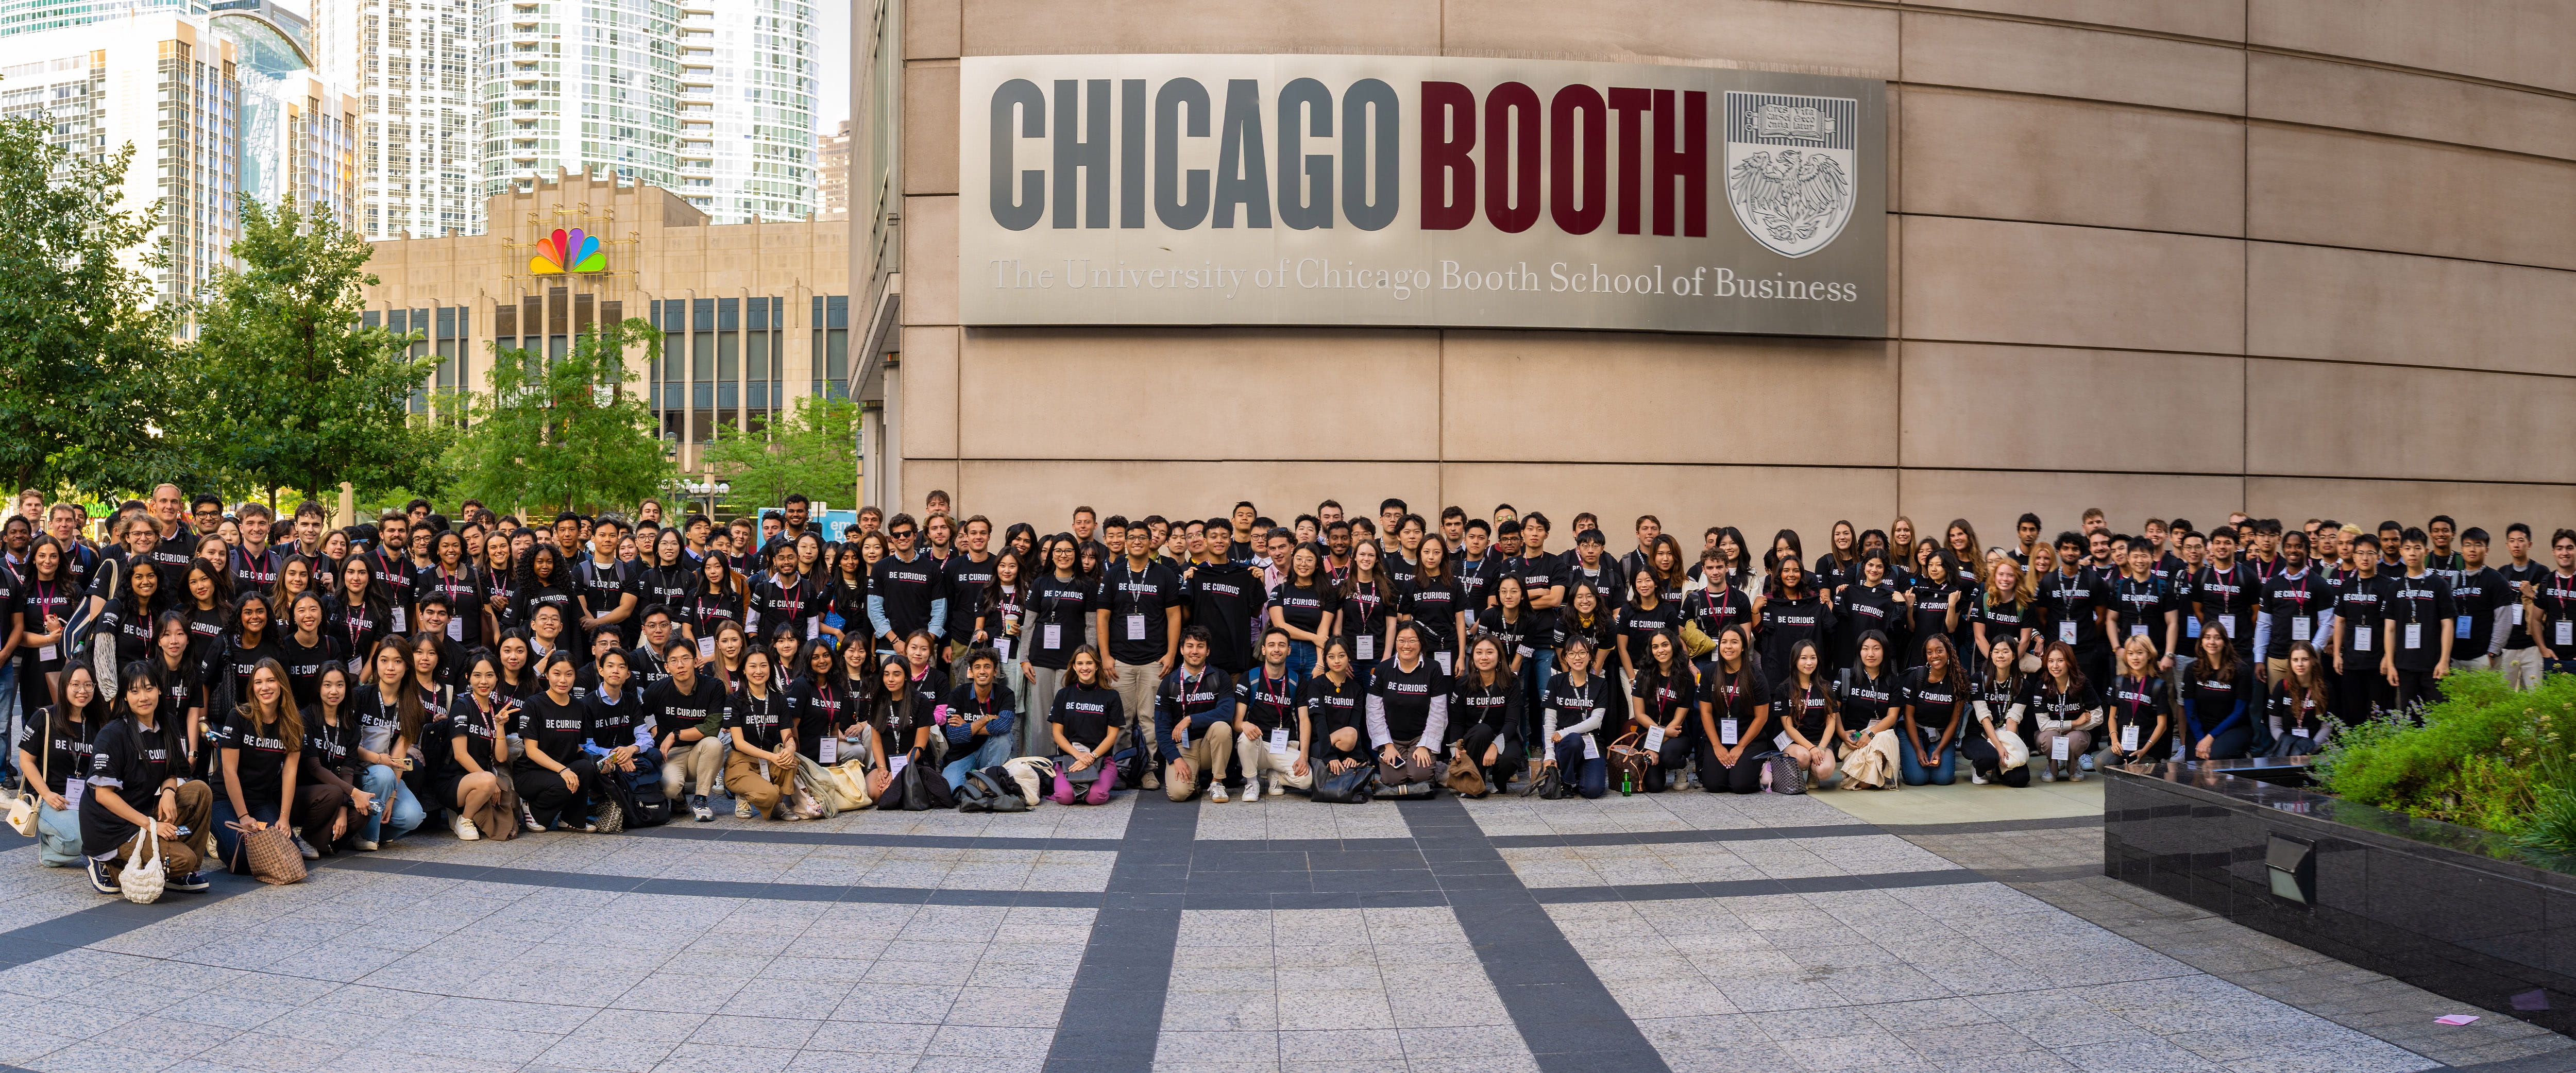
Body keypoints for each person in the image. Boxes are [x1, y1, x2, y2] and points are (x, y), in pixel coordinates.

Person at [81, 662, 213, 895]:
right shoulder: (112, 734)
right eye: (134, 691)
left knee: (200, 791)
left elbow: (172, 770)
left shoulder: (167, 724)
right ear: (125, 696)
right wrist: (150, 825)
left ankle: (178, 875)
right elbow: (102, 795)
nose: (143, 697)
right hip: (113, 829)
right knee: (184, 859)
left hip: (143, 810)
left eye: (149, 688)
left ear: (160, 690)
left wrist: (169, 792)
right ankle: (107, 863)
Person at [209, 659, 311, 867]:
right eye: (258, 682)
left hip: (261, 801)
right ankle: (219, 837)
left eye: (271, 681)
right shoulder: (239, 716)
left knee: (289, 853)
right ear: (252, 687)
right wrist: (244, 816)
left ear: (281, 684)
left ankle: (248, 834)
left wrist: (284, 818)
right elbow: (229, 771)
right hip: (224, 799)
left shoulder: (293, 723)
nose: (265, 687)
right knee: (242, 859)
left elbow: (290, 773)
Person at [18, 662, 103, 866]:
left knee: (108, 833)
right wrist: (46, 794)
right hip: (51, 798)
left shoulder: (98, 723)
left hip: (86, 799)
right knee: (81, 837)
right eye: (76, 685)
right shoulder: (44, 717)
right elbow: (25, 760)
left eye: (88, 685)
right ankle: (51, 846)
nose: (82, 691)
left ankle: (58, 848)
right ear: (64, 686)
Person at [297, 662, 376, 857]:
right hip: (303, 794)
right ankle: (305, 840)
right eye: (327, 685)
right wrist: (354, 793)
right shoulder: (304, 719)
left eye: (340, 685)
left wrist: (343, 809)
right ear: (318, 688)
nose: (334, 691)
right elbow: (314, 768)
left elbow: (348, 770)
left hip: (334, 794)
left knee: (363, 811)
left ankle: (322, 843)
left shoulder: (351, 727)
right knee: (334, 793)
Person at [647, 638, 727, 822]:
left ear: (696, 661)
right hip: (672, 754)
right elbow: (637, 716)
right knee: (670, 788)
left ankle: (701, 799)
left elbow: (712, 728)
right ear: (667, 667)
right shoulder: (656, 690)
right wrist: (651, 731)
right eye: (673, 661)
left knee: (714, 744)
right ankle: (679, 797)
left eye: (686, 659)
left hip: (700, 751)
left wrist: (675, 735)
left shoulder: (713, 687)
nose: (680, 665)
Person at [437, 652, 515, 841]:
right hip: (453, 780)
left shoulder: (497, 710)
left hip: (481, 777)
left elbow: (501, 758)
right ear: (468, 677)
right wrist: (490, 780)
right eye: (477, 675)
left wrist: (501, 726)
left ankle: (474, 806)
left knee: (511, 796)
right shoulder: (461, 706)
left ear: (498, 677)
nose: (484, 681)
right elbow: (460, 755)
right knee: (490, 781)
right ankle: (464, 819)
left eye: (490, 675)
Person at [1154, 627, 1237, 802]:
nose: (1195, 651)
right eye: (1190, 646)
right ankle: (1196, 782)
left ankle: (1217, 783)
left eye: (1200, 646)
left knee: (1222, 727)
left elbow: (1227, 713)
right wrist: (1175, 759)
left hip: (1210, 745)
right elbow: (1161, 728)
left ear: (1207, 651)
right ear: (1182, 649)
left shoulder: (1220, 677)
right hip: (1184, 748)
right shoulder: (1170, 682)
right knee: (1178, 794)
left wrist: (1190, 719)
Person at [2380, 527, 2456, 718]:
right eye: (2407, 548)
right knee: (2410, 721)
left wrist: (2444, 661)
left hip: (2434, 666)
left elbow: (2448, 624)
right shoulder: (2394, 587)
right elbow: (2390, 629)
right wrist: (2390, 664)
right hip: (2405, 666)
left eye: (2417, 548)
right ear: (2401, 552)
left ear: (2426, 552)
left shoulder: (2439, 585)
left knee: (2439, 720)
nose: (2412, 553)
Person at [1365, 622, 1447, 795]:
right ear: (1395, 642)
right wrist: (1387, 745)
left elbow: (1439, 712)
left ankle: (1434, 766)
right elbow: (1374, 711)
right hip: (1393, 740)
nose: (1406, 646)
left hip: (1420, 738)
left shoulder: (1434, 668)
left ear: (1422, 643)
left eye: (1412, 641)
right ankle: (1412, 762)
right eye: (1401, 640)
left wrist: (1425, 746)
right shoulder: (1383, 669)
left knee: (1420, 777)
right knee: (1392, 780)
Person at [1694, 626, 1769, 794]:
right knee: (1714, 785)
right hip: (1718, 738)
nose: (1728, 647)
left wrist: (1741, 747)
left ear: (1743, 647)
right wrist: (1717, 746)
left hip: (1749, 739)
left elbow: (1761, 717)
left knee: (1740, 786)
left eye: (1734, 642)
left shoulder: (1756, 675)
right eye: (1724, 642)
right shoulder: (1709, 672)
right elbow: (1705, 712)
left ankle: (1759, 768)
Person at [1046, 645, 1122, 805]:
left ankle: (1100, 782)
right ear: (1074, 667)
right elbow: (1057, 734)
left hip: (1102, 759)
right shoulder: (1063, 694)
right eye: (1080, 664)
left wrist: (1092, 757)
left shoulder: (1111, 696)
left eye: (1089, 663)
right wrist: (1078, 755)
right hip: (1069, 759)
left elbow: (1113, 735)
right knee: (1065, 797)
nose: (1085, 668)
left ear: (1097, 666)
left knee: (1096, 797)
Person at [1540, 636, 1613, 799]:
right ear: (1565, 657)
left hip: (1592, 742)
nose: (1577, 657)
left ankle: (1576, 774)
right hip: (1564, 745)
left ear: (1590, 656)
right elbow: (1550, 722)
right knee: (1574, 740)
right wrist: (1549, 755)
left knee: (1593, 791)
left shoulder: (1600, 683)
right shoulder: (1555, 681)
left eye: (1582, 652)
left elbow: (1596, 721)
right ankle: (1566, 781)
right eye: (1572, 654)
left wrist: (1565, 732)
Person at [1626, 629, 1698, 792]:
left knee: (1668, 757)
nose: (1661, 650)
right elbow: (1640, 714)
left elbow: (1679, 720)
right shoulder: (1643, 674)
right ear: (1651, 650)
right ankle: (1659, 763)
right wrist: (1656, 739)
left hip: (1676, 735)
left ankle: (1681, 767)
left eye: (1665, 645)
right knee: (1654, 786)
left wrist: (1657, 743)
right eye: (1656, 647)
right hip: (1648, 733)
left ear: (1673, 646)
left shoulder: (1685, 676)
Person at [939, 648, 1018, 792]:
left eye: (987, 667)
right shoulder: (958, 694)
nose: (982, 671)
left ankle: (990, 780)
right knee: (951, 791)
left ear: (995, 671)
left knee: (1003, 737)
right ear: (971, 672)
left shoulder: (1006, 694)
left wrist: (967, 727)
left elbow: (1004, 727)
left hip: (991, 752)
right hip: (962, 754)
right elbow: (953, 735)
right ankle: (977, 783)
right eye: (978, 667)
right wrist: (985, 719)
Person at [861, 654, 934, 805]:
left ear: (907, 676)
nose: (891, 679)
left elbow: (920, 745)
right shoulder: (878, 701)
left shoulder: (921, 701)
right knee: (872, 794)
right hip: (886, 763)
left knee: (891, 794)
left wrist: (899, 771)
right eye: (886, 675)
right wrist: (882, 769)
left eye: (897, 674)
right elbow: (876, 741)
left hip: (913, 763)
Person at [2027, 641, 2103, 784]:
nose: (2055, 666)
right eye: (2051, 661)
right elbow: (2043, 725)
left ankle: (2074, 765)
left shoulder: (2082, 683)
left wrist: (2073, 729)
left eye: (2060, 661)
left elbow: (2098, 717)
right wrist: (2074, 723)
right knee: (2048, 738)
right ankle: (2052, 766)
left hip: (2077, 733)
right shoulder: (2041, 685)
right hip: (2051, 733)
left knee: (2075, 739)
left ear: (2069, 662)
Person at [1898, 636, 1968, 786]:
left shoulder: (1958, 680)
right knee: (1917, 779)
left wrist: (1940, 749)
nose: (1934, 656)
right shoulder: (1916, 677)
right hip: (1914, 730)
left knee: (1943, 779)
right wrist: (1918, 749)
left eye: (1939, 651)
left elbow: (1954, 721)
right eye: (1930, 653)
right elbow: (1908, 716)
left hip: (1941, 733)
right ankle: (1910, 756)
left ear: (1948, 653)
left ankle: (1933, 751)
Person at [1773, 638, 1839, 790]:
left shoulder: (1825, 687)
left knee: (1825, 771)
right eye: (1804, 658)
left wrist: (1821, 748)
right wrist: (1811, 748)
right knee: (1803, 757)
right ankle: (1792, 773)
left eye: (1813, 658)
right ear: (1795, 660)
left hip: (1820, 742)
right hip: (1794, 743)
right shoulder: (1783, 689)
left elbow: (1831, 722)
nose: (1809, 663)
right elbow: (1788, 727)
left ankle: (1814, 773)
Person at [1964, 639, 2030, 788]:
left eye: (2006, 652)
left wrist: (2007, 746)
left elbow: (2013, 720)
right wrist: (1999, 748)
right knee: (1988, 757)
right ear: (1991, 655)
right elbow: (1984, 717)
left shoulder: (2022, 684)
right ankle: (1979, 768)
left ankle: (1997, 768)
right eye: (1996, 652)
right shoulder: (1978, 679)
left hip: (2005, 734)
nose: (2001, 656)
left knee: (2020, 779)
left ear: (2014, 656)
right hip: (1978, 735)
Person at [2183, 624, 2256, 760]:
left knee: (2214, 758)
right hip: (2201, 729)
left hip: (2233, 729)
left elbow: (2239, 713)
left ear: (2225, 643)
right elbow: (2190, 711)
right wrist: (2201, 740)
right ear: (2201, 643)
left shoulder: (2241, 671)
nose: (2212, 642)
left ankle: (2240, 757)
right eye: (2207, 638)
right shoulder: (2192, 670)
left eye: (2218, 638)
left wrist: (2210, 738)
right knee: (2194, 763)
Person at [1267, 544, 1338, 680]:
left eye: (1309, 560)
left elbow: (1322, 632)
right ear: (1293, 560)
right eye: (1299, 559)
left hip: (1314, 652)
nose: (1303, 564)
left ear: (1317, 564)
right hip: (1286, 650)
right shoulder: (1280, 590)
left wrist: (1320, 664)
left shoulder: (1327, 593)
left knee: (1313, 696)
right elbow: (1280, 626)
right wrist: (1313, 637)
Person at [2102, 635, 2175, 767]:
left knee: (2137, 775)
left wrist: (2144, 750)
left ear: (2149, 656)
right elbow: (2112, 717)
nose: (2135, 657)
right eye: (2130, 653)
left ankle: (2147, 762)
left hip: (2148, 747)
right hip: (2122, 743)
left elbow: (2162, 725)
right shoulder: (2119, 682)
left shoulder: (2158, 685)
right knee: (2101, 763)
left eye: (2140, 653)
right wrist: (2114, 741)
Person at [2269, 641, 2333, 757]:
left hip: (2316, 749)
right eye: (2295, 660)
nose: (2300, 664)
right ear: (2290, 663)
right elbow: (2275, 725)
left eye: (2305, 659)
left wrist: (2309, 749)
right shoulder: (2282, 686)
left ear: (2314, 661)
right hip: (2287, 749)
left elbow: (2327, 726)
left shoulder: (2325, 688)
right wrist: (2291, 747)